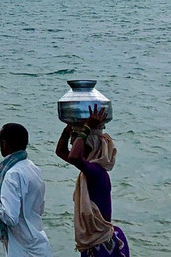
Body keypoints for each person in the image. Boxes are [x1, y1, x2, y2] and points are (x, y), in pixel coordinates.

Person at [55, 107, 129, 257]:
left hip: (101, 245)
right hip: (95, 243)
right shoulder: (90, 170)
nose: (74, 147)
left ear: (91, 146)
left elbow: (74, 157)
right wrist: (69, 129)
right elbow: (61, 152)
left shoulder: (96, 173)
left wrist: (87, 127)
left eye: (78, 143)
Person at [0, 123, 53, 257]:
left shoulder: (11, 174)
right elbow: (40, 208)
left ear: (4, 143)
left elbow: (10, 218)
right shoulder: (33, 169)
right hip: (37, 240)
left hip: (22, 247)